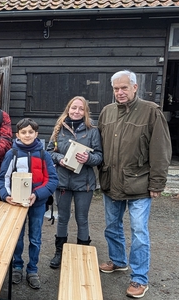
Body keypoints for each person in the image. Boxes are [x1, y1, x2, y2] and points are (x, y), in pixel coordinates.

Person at [98, 70, 171, 298]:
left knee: (139, 231)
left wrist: (157, 183)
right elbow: (98, 146)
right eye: (116, 89)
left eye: (124, 88)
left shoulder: (151, 112)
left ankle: (139, 278)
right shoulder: (106, 112)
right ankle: (118, 261)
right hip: (111, 181)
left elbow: (161, 150)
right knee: (112, 226)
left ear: (135, 87)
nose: (120, 92)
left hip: (139, 183)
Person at [0, 118, 58, 289]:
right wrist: (6, 196)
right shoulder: (12, 154)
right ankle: (17, 266)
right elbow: (3, 179)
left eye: (31, 132)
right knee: (17, 238)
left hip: (37, 204)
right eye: (23, 132)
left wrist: (37, 194)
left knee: (35, 238)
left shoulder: (43, 154)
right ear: (18, 134)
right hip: (16, 204)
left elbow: (52, 179)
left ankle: (32, 269)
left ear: (36, 134)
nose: (27, 135)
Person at [46, 96, 103, 269]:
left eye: (80, 108)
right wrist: (59, 158)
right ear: (68, 109)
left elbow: (99, 157)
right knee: (62, 218)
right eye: (73, 107)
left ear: (85, 111)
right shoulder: (59, 129)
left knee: (82, 218)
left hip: (83, 183)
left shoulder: (92, 130)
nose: (76, 111)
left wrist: (88, 158)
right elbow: (49, 152)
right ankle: (60, 252)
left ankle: (82, 253)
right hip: (62, 181)